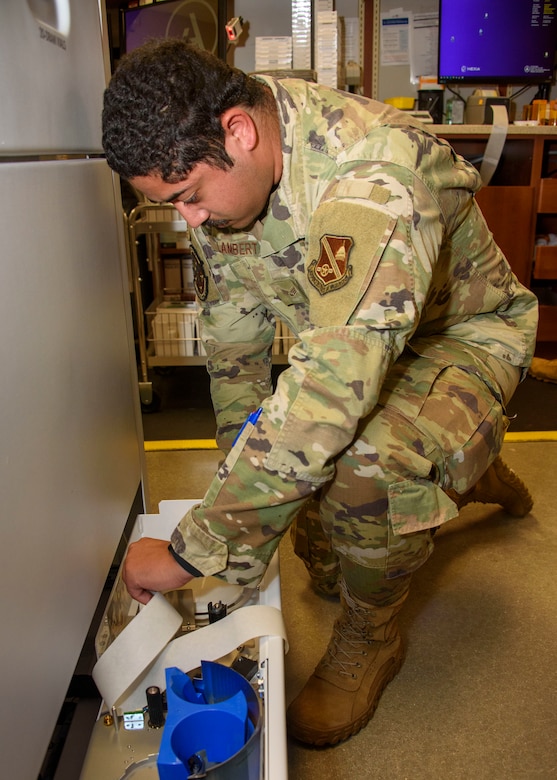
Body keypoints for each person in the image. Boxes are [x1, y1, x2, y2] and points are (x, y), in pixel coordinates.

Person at [102, 40, 537, 747]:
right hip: (361, 347)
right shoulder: (226, 145)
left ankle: (373, 636)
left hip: (459, 338)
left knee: (359, 469)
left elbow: (331, 389)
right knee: (320, 554)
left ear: (239, 134)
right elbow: (235, 344)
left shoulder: (373, 175)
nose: (190, 221)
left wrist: (194, 551)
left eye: (185, 198)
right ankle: (465, 470)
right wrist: (236, 500)